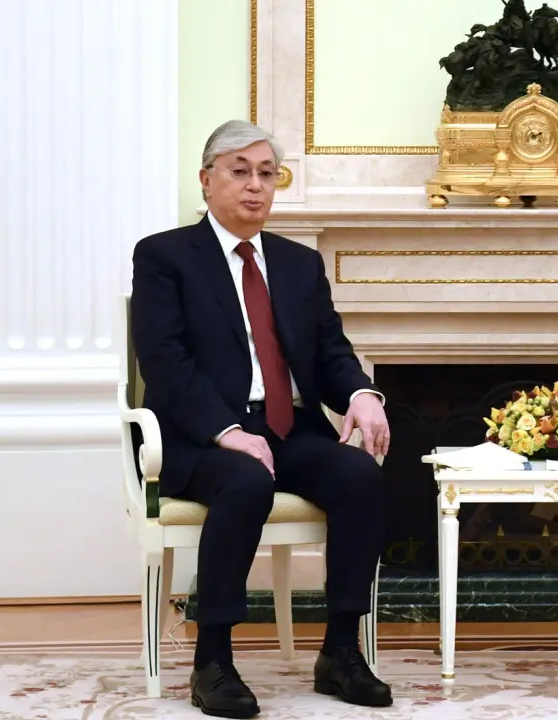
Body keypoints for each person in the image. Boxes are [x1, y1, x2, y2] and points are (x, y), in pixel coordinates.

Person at [131, 120, 394, 716]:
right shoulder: (165, 256)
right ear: (207, 181)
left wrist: (361, 393)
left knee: (359, 475)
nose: (256, 186)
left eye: (267, 174)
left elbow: (330, 351)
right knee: (246, 480)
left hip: (288, 428)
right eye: (240, 171)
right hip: (203, 435)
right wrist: (227, 432)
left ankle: (340, 652)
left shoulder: (299, 264)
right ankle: (213, 661)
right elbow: (165, 363)